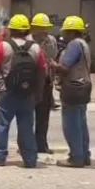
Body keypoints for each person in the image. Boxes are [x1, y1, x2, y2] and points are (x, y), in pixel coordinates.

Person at [0, 14, 47, 168]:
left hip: (7, 91)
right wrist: (38, 92)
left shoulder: (3, 46)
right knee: (26, 126)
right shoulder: (35, 48)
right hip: (28, 93)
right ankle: (30, 159)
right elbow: (42, 71)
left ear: (11, 30)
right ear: (27, 30)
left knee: (2, 124)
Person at [50, 15, 93, 168]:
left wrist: (52, 63)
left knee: (71, 125)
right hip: (84, 86)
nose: (64, 35)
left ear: (72, 32)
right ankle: (84, 154)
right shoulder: (84, 44)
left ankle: (76, 157)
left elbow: (65, 67)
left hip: (74, 87)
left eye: (66, 32)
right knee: (81, 123)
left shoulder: (74, 45)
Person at [27, 13, 59, 154]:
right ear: (34, 28)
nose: (44, 32)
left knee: (43, 115)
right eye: (41, 28)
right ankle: (27, 144)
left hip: (46, 81)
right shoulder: (27, 42)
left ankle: (41, 144)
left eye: (46, 28)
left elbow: (53, 57)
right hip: (30, 82)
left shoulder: (51, 41)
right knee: (27, 115)